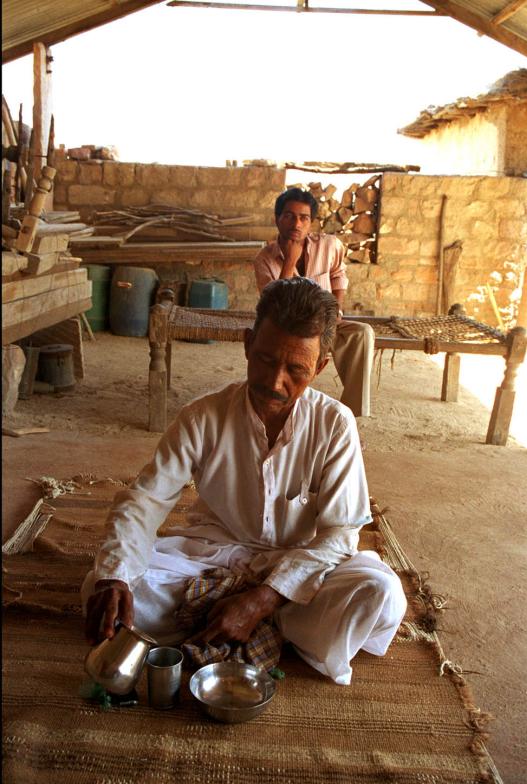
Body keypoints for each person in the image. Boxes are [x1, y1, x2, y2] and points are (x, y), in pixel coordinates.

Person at [82, 278, 406, 685]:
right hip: (214, 556)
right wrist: (115, 577)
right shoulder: (203, 416)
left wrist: (264, 597)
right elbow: (145, 500)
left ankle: (244, 619)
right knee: (103, 585)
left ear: (321, 366)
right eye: (267, 360)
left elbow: (340, 535)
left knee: (380, 593)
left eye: (295, 370)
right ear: (248, 344)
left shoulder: (334, 425)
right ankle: (280, 631)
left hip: (300, 566)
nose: (275, 382)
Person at [253, 187, 375, 417]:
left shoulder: (329, 245)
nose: (296, 224)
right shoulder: (264, 259)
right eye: (289, 216)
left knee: (362, 333)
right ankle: (289, 414)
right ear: (277, 219)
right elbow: (272, 302)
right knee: (289, 359)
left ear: (311, 223)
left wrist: (336, 309)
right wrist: (290, 261)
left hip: (326, 324)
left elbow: (339, 274)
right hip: (288, 332)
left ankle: (349, 416)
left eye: (303, 218)